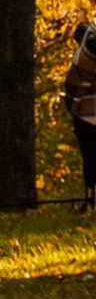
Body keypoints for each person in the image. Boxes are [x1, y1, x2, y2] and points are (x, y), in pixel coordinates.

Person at [66, 20, 96, 214]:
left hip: (84, 116)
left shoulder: (82, 59)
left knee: (90, 158)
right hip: (86, 115)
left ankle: (92, 199)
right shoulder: (85, 57)